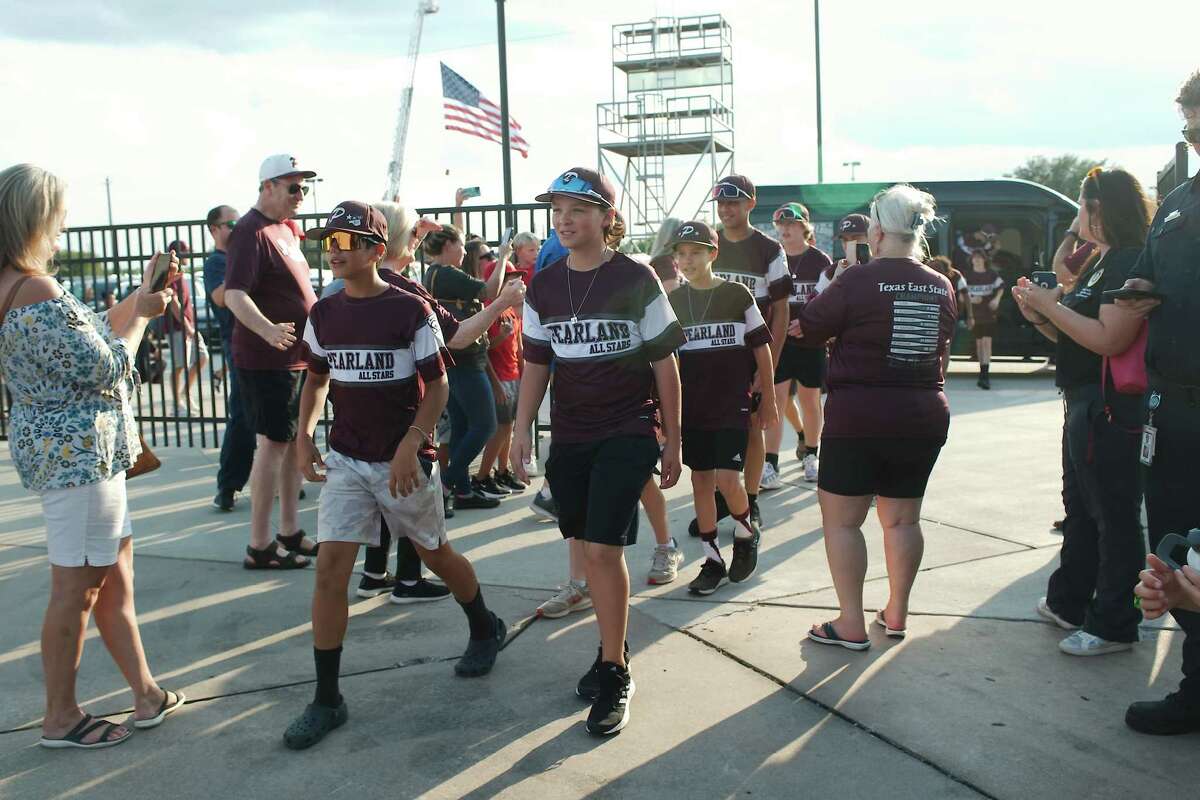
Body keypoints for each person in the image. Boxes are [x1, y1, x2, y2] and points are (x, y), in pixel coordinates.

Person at [285, 201, 505, 750]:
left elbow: (439, 387)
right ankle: (327, 698)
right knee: (331, 571)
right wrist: (304, 435)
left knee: (435, 553)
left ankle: (483, 624)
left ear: (377, 250)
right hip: (347, 461)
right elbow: (314, 382)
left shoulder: (410, 310)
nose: (332, 253)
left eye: (344, 243)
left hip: (404, 462)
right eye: (327, 243)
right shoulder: (325, 314)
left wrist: (412, 445)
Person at [0, 163, 185, 749]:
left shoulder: (16, 286)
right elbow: (109, 366)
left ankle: (146, 693)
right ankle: (60, 717)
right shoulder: (37, 288)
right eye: (57, 219)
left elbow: (88, 339)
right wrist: (147, 320)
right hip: (81, 461)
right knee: (78, 588)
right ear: (33, 220)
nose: (63, 229)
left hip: (78, 458)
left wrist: (139, 297)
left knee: (112, 582)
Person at [511, 167, 684, 736]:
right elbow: (536, 363)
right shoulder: (543, 284)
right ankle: (615, 646)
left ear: (608, 218)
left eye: (578, 208)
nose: (565, 218)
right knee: (586, 547)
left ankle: (614, 672)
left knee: (604, 550)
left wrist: (673, 441)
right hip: (572, 435)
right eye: (558, 208)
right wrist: (520, 433)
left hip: (629, 428)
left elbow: (665, 363)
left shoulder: (636, 277)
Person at [798, 184, 956, 651]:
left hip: (860, 415)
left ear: (880, 229)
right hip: (923, 413)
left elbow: (808, 325)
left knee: (843, 522)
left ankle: (850, 623)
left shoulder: (858, 278)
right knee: (903, 521)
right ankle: (897, 613)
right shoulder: (940, 282)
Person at [1012, 166, 1152, 656]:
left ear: (1101, 207)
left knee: (1113, 516)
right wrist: (1042, 312)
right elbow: (1077, 338)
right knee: (1082, 510)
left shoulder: (1130, 260)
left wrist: (1052, 307)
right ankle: (1070, 603)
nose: (1078, 216)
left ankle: (1115, 623)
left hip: (1109, 407)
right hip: (1083, 401)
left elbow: (1111, 338)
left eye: (1082, 205)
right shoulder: (1100, 261)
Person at [1113, 68, 1200, 736]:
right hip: (1174, 411)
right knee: (1177, 552)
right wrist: (1140, 289)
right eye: (1187, 114)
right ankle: (1196, 688)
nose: (1189, 126)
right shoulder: (1178, 201)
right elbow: (1146, 268)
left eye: (1196, 113)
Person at [668, 221, 777, 594]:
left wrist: (770, 400)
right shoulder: (674, 302)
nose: (687, 260)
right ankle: (712, 559)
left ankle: (746, 533)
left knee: (728, 480)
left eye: (695, 252)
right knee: (700, 479)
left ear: (713, 254)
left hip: (732, 403)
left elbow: (762, 347)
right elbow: (668, 361)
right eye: (681, 254)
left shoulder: (738, 294)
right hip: (693, 408)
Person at [223, 154, 320, 568]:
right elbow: (235, 294)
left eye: (305, 187)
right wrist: (268, 330)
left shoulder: (285, 229)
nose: (301, 195)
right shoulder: (249, 231)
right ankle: (260, 544)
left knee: (291, 443)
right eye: (293, 187)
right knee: (272, 443)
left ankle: (288, 530)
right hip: (267, 359)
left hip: (294, 356)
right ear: (268, 187)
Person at [707, 175, 789, 521]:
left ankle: (750, 499)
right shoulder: (708, 243)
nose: (726, 209)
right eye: (721, 203)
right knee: (711, 429)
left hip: (751, 353)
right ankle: (719, 500)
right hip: (709, 353)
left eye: (734, 202)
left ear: (750, 204)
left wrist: (769, 365)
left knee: (753, 427)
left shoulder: (769, 249)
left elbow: (782, 310)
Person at [421, 224, 507, 509]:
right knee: (485, 425)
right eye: (460, 245)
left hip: (456, 359)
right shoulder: (445, 273)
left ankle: (464, 491)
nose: (464, 251)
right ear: (448, 246)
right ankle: (446, 483)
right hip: (466, 360)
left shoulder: (434, 274)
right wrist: (504, 255)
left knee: (461, 426)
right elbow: (490, 290)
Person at [767, 203, 831, 483]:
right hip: (779, 341)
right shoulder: (773, 258)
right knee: (776, 401)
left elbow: (829, 303)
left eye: (792, 224)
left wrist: (809, 324)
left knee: (810, 401)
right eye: (781, 225)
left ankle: (811, 455)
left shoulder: (820, 260)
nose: (786, 229)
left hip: (810, 342)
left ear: (805, 227)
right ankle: (770, 463)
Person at [203, 205, 257, 512]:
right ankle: (228, 486)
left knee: (273, 418)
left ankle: (277, 480)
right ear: (214, 229)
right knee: (242, 417)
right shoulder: (216, 263)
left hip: (262, 342)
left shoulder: (241, 258)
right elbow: (221, 297)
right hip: (237, 345)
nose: (236, 228)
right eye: (230, 223)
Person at [475, 266, 527, 496]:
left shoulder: (511, 311)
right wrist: (495, 385)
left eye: (518, 280)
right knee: (502, 427)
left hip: (514, 376)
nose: (518, 284)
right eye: (512, 280)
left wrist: (524, 376)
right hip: (499, 378)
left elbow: (519, 347)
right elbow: (482, 351)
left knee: (508, 428)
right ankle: (481, 476)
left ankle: (502, 471)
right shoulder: (489, 310)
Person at [163, 240, 210, 414]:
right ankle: (176, 404)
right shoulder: (170, 272)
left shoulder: (181, 273)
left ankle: (185, 393)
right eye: (187, 251)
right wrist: (187, 327)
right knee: (179, 365)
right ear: (178, 252)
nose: (190, 254)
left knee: (202, 358)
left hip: (188, 326)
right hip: (178, 327)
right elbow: (173, 303)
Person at [965, 250, 1004, 390]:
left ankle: (985, 375)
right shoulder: (967, 276)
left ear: (984, 260)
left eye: (980, 258)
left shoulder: (991, 274)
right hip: (975, 315)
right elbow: (960, 294)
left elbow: (1001, 287)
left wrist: (996, 300)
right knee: (979, 343)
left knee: (987, 342)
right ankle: (981, 372)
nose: (977, 260)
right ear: (972, 260)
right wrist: (971, 299)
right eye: (975, 258)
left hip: (989, 314)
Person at [926, 255, 972, 373]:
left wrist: (970, 316)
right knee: (946, 346)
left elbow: (966, 295)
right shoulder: (955, 275)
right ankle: (942, 375)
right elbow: (966, 295)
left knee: (941, 346)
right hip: (946, 314)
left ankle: (939, 374)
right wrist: (970, 316)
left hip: (940, 313)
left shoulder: (955, 275)